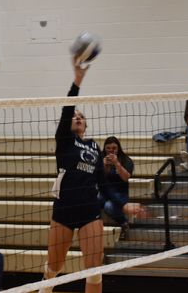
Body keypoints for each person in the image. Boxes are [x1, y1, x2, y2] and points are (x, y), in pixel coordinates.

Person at [40, 58, 104, 293]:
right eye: (75, 116)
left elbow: (101, 180)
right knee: (54, 268)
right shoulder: (65, 141)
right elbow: (67, 110)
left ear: (86, 124)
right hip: (65, 209)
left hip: (90, 211)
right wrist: (77, 81)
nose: (77, 117)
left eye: (81, 116)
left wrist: (123, 205)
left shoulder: (96, 147)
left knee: (94, 270)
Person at [97, 136, 134, 237]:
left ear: (118, 148)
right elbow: (96, 178)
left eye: (114, 148)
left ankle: (124, 223)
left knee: (108, 206)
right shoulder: (100, 158)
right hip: (104, 192)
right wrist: (102, 166)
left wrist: (116, 163)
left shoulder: (126, 160)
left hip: (120, 194)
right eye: (108, 148)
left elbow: (126, 177)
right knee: (92, 200)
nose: (111, 151)